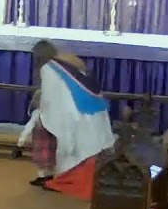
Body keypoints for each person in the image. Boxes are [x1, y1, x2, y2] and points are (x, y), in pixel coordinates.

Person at [28, 40, 115, 200]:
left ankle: (59, 178)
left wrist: (42, 114)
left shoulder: (48, 68)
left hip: (74, 116)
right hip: (92, 113)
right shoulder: (68, 61)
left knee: (67, 146)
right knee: (88, 149)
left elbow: (50, 98)